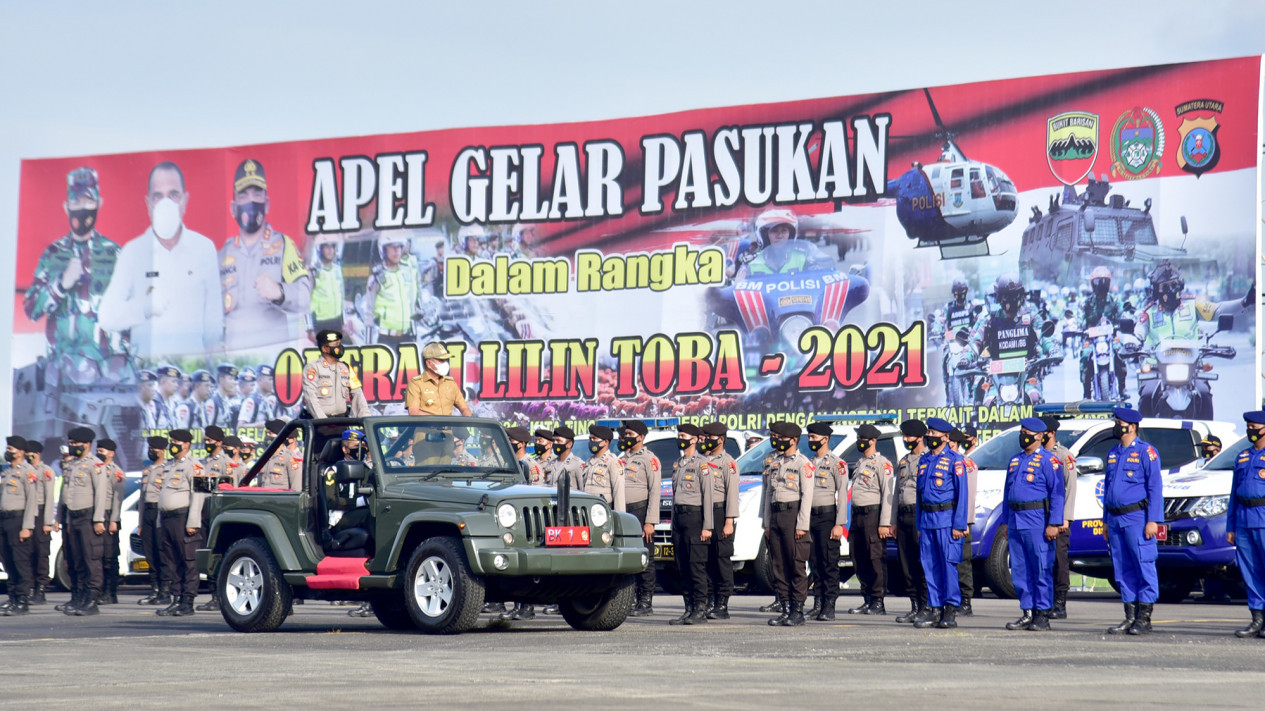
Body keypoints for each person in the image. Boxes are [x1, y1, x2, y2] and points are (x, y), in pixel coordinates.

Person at [97, 161, 223, 360]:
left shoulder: (204, 249)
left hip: (190, 376)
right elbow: (106, 316)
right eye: (158, 197)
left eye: (173, 195)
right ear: (149, 204)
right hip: (147, 377)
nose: (167, 204)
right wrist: (144, 307)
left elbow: (213, 324)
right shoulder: (133, 252)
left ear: (185, 201)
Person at [23, 167, 124, 377]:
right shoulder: (52, 254)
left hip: (102, 374)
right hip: (58, 374)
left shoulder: (115, 254)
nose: (82, 208)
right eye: (76, 202)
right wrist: (60, 285)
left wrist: (121, 366)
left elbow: (131, 319)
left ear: (98, 204)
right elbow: (31, 309)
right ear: (66, 207)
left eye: (88, 202)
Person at [220, 159, 313, 351]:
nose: (251, 202)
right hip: (235, 367)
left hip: (273, 367)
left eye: (257, 194)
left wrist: (280, 292)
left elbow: (305, 297)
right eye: (243, 196)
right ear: (233, 208)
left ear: (267, 203)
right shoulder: (222, 255)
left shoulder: (284, 246)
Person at [1102, 406, 1163, 635]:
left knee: (1143, 563)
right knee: (1122, 567)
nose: (1116, 426)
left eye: (1119, 422)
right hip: (1115, 519)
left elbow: (1155, 488)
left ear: (1132, 426)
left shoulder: (1147, 452)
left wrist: (1153, 520)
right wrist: (1106, 521)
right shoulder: (1113, 453)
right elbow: (1108, 490)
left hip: (1137, 517)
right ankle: (1129, 615)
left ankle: (1144, 618)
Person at [1002, 419, 1065, 632]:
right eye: (1022, 432)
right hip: (1016, 520)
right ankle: (1027, 612)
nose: (1023, 435)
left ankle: (1042, 613)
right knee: (1020, 569)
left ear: (1039, 436)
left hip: (1037, 520)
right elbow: (1006, 494)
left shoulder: (1049, 461)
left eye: (1027, 432)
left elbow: (1057, 493)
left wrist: (1054, 523)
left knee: (1041, 567)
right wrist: (1005, 521)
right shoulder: (1015, 460)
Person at [912, 418, 971, 630]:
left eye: (934, 433)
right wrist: (919, 524)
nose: (930, 436)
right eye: (929, 432)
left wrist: (959, 524)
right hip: (927, 521)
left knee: (948, 566)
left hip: (947, 521)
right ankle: (935, 608)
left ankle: (950, 610)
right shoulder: (925, 460)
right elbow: (919, 496)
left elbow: (962, 494)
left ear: (945, 437)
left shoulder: (955, 460)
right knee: (930, 566)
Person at [762, 421, 815, 626]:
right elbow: (768, 494)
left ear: (793, 440)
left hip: (793, 516)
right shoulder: (775, 463)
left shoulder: (803, 463)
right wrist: (766, 522)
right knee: (778, 565)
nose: (777, 441)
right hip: (776, 516)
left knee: (795, 565)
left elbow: (807, 496)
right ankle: (784, 607)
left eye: (782, 438)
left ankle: (797, 610)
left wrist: (802, 525)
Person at [1135, 259, 1251, 351]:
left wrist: (1245, 302)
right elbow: (1139, 331)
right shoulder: (1149, 313)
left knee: (1203, 381)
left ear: (1180, 286)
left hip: (1190, 366)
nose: (1170, 290)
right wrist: (1133, 342)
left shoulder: (1192, 306)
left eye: (1174, 285)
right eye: (1165, 287)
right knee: (1146, 380)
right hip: (1157, 369)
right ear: (1156, 291)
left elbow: (1218, 310)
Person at [56, 427, 107, 616]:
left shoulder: (95, 464)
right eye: (71, 443)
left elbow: (101, 494)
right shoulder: (72, 465)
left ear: (87, 444)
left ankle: (92, 600)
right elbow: (67, 494)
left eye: (76, 443)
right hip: (74, 518)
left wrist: (98, 519)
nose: (73, 446)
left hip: (88, 517)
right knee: (76, 560)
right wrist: (67, 520)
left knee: (90, 559)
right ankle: (79, 597)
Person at [847, 423, 896, 616]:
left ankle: (878, 601)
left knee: (875, 557)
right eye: (858, 438)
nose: (860, 442)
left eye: (863, 439)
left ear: (873, 441)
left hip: (873, 515)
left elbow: (887, 495)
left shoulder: (882, 464)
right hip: (858, 515)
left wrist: (885, 522)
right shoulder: (860, 463)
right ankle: (867, 598)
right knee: (858, 557)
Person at [668, 423, 714, 626]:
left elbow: (709, 496)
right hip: (679, 519)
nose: (681, 438)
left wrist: (707, 526)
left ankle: (700, 609)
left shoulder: (702, 464)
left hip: (695, 519)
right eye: (679, 435)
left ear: (694, 439)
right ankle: (688, 608)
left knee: (696, 566)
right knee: (682, 566)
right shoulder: (678, 463)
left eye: (684, 435)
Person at [156, 429, 203, 616]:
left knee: (188, 561)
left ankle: (187, 602)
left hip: (183, 519)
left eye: (177, 441)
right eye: (172, 440)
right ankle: (176, 599)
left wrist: (193, 522)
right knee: (172, 561)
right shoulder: (169, 465)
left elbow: (198, 495)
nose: (173, 444)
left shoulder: (194, 466)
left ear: (187, 444)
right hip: (167, 519)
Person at [804, 422, 847, 621]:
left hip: (828, 517)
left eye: (814, 438)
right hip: (810, 517)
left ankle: (829, 604)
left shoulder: (837, 464)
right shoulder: (809, 463)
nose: (811, 441)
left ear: (825, 439)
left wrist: (839, 523)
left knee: (829, 561)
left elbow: (843, 494)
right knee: (814, 561)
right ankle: (818, 602)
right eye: (810, 437)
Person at [1228, 411, 1265, 638]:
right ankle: (1257, 619)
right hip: (1243, 519)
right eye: (1248, 426)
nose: (1250, 430)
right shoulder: (1242, 457)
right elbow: (1234, 494)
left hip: (1263, 517)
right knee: (1250, 571)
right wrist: (1230, 527)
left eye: (1254, 426)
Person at [619, 420, 662, 617]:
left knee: (645, 558)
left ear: (640, 437)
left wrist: (650, 521)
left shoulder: (649, 459)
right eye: (625, 434)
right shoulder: (623, 458)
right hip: (624, 512)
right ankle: (632, 599)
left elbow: (654, 491)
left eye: (629, 434)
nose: (626, 437)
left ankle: (646, 601)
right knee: (628, 558)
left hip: (641, 512)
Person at [700, 422, 739, 620]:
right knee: (706, 560)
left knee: (721, 559)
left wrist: (729, 521)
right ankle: (709, 601)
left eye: (709, 437)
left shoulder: (728, 463)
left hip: (720, 512)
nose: (705, 440)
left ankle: (722, 604)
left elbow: (732, 494)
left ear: (720, 440)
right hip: (703, 513)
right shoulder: (700, 460)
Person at [1041, 416, 1078, 620]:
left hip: (1058, 518)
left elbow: (1070, 488)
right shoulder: (1036, 456)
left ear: (1052, 433)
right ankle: (1044, 602)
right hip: (1039, 516)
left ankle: (1059, 603)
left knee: (1059, 561)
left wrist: (1065, 518)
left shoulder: (1063, 456)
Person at [891, 420, 928, 623]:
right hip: (903, 516)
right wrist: (893, 521)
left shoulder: (927, 459)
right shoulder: (904, 461)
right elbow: (897, 492)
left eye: (909, 437)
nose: (906, 440)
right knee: (906, 563)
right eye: (904, 436)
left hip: (918, 516)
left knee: (921, 561)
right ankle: (914, 605)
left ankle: (926, 605)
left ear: (920, 437)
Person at [194, 425, 232, 611]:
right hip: (204, 511)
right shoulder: (202, 462)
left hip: (219, 513)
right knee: (207, 554)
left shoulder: (226, 463)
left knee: (219, 554)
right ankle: (212, 594)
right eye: (206, 440)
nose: (207, 443)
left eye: (210, 440)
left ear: (219, 442)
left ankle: (220, 596)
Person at [0, 436, 38, 616]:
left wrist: (27, 526)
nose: (9, 451)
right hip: (4, 520)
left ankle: (22, 600)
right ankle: (13, 597)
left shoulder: (28, 472)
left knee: (20, 561)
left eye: (12, 448)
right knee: (8, 561)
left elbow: (32, 501)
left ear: (21, 451)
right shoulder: (7, 472)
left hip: (18, 520)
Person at [1078, 266, 1128, 398]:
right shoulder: (1087, 302)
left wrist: (1122, 322)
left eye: (1103, 282)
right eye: (1097, 282)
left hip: (1111, 337)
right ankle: (1087, 392)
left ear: (1108, 283)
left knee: (1120, 353)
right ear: (1092, 284)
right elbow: (1080, 317)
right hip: (1091, 338)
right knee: (1085, 356)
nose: (1100, 285)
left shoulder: (1114, 300)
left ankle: (1122, 388)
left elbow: (1122, 313)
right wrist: (1079, 327)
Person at [366, 232, 421, 349]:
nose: (397, 251)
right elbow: (369, 310)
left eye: (399, 247)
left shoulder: (406, 272)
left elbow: (413, 298)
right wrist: (368, 345)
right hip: (387, 339)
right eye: (393, 248)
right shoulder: (377, 276)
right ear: (384, 250)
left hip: (407, 336)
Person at [302, 330, 372, 419]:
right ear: (324, 348)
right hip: (319, 423)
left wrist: (366, 419)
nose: (339, 347)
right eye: (335, 345)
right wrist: (322, 421)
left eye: (339, 344)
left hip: (341, 421)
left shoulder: (346, 368)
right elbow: (310, 397)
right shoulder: (313, 368)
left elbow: (358, 395)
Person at [136, 436, 172, 606]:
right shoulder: (148, 470)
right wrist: (140, 523)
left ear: (162, 450)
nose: (151, 451)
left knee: (161, 553)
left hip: (160, 513)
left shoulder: (167, 469)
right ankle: (154, 590)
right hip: (148, 513)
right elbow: (142, 499)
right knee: (150, 554)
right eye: (150, 447)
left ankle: (165, 591)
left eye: (155, 448)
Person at [23, 439, 57, 605]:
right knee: (27, 552)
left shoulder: (46, 472)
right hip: (27, 513)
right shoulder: (24, 470)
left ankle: (41, 588)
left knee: (41, 553)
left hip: (41, 513)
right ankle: (29, 588)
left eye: (30, 452)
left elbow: (50, 497)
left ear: (37, 453)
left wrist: (48, 521)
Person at [948, 429, 978, 615]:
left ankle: (965, 602)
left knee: (962, 561)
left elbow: (969, 495)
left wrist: (965, 522)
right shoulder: (943, 461)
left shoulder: (966, 464)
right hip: (944, 519)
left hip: (961, 520)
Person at [95, 438, 125, 605]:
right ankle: (97, 590)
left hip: (108, 516)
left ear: (111, 453)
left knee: (109, 556)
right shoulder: (94, 469)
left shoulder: (116, 472)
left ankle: (110, 592)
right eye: (98, 450)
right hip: (96, 516)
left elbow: (117, 500)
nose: (99, 453)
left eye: (103, 451)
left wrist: (114, 520)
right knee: (96, 556)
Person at [406, 342, 471, 416]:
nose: (445, 363)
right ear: (428, 363)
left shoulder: (450, 383)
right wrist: (438, 421)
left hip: (448, 427)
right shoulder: (416, 383)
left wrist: (467, 420)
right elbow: (414, 412)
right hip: (426, 427)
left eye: (445, 360)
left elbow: (464, 408)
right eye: (440, 360)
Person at [308, 233, 345, 338]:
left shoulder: (337, 270)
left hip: (337, 321)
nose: (330, 250)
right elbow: (306, 302)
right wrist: (309, 328)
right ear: (320, 249)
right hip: (321, 322)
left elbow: (341, 296)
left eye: (332, 247)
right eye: (326, 247)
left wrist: (343, 322)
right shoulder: (314, 272)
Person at [256, 420, 302, 490]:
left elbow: (297, 490)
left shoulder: (290, 459)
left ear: (280, 436)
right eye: (266, 433)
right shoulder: (263, 458)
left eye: (270, 433)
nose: (267, 436)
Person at [543, 426, 583, 491]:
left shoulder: (577, 464)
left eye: (558, 441)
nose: (555, 443)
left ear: (569, 444)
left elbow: (583, 491)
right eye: (554, 441)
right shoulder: (550, 464)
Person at [207, 363, 241, 430]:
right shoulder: (213, 402)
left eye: (234, 379)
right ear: (221, 380)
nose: (234, 382)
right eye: (230, 379)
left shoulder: (227, 401)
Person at [154, 364, 182, 428]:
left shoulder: (174, 403)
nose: (177, 385)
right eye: (174, 381)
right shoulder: (153, 402)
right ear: (163, 381)